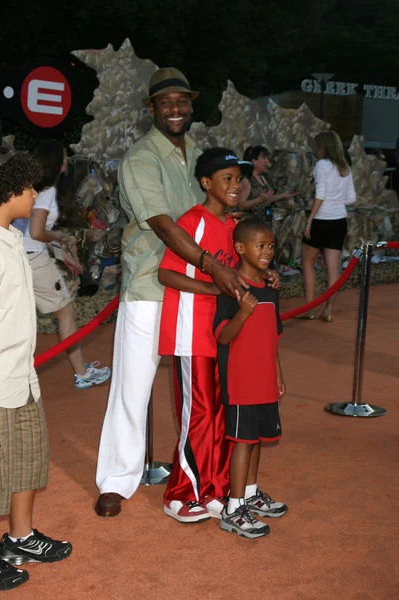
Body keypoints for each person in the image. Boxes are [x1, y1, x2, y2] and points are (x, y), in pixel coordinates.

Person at [94, 68, 256, 518]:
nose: (176, 109)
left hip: (199, 293)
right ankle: (116, 479)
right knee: (133, 385)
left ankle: (199, 478)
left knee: (200, 393)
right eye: (166, 102)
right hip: (151, 285)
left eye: (182, 101)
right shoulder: (140, 158)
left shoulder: (201, 156)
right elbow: (164, 224)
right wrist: (210, 266)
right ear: (151, 109)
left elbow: (220, 211)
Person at [158, 148, 254, 523]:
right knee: (196, 414)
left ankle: (211, 487)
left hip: (219, 334)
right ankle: (179, 495)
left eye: (238, 178)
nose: (235, 185)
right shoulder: (193, 220)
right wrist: (214, 288)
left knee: (218, 413)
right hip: (190, 332)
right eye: (226, 178)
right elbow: (166, 274)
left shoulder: (233, 227)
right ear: (206, 183)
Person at [0, 147, 72, 591]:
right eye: (29, 188)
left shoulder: (12, 238)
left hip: (22, 373)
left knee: (27, 457)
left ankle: (20, 538)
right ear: (12, 191)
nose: (33, 195)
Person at [13, 139, 111, 389]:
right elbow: (37, 233)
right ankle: (81, 373)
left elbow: (28, 230)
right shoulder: (45, 191)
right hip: (33, 261)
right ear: (57, 164)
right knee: (65, 312)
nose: (67, 161)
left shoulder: (24, 183)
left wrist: (62, 254)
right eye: (65, 157)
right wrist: (61, 237)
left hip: (14, 256)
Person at [214, 218, 287, 539]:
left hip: (265, 380)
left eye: (271, 245)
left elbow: (274, 338)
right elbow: (222, 337)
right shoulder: (232, 290)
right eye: (261, 245)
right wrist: (242, 312)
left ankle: (252, 493)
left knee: (257, 439)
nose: (268, 251)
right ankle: (233, 507)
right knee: (242, 442)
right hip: (241, 382)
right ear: (241, 248)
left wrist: (278, 374)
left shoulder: (270, 289)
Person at [300, 130, 356, 322]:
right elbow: (351, 198)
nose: (316, 149)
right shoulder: (345, 167)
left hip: (321, 220)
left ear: (323, 146)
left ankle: (310, 308)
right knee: (333, 268)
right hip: (339, 221)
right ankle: (328, 310)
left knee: (307, 263)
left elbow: (320, 195)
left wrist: (310, 219)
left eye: (317, 145)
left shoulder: (321, 165)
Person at [237, 145, 298, 220]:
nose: (267, 161)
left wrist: (283, 195)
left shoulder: (262, 177)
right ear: (254, 161)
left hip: (264, 221)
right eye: (264, 158)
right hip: (252, 224)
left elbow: (265, 199)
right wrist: (259, 199)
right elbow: (241, 205)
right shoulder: (246, 180)